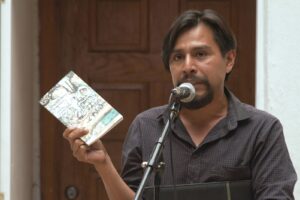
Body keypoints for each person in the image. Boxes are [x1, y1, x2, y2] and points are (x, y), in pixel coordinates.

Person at [63, 9, 297, 200]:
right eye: (177, 57)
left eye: (201, 54)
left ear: (229, 60)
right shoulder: (147, 126)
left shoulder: (262, 130)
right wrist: (103, 164)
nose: (188, 66)